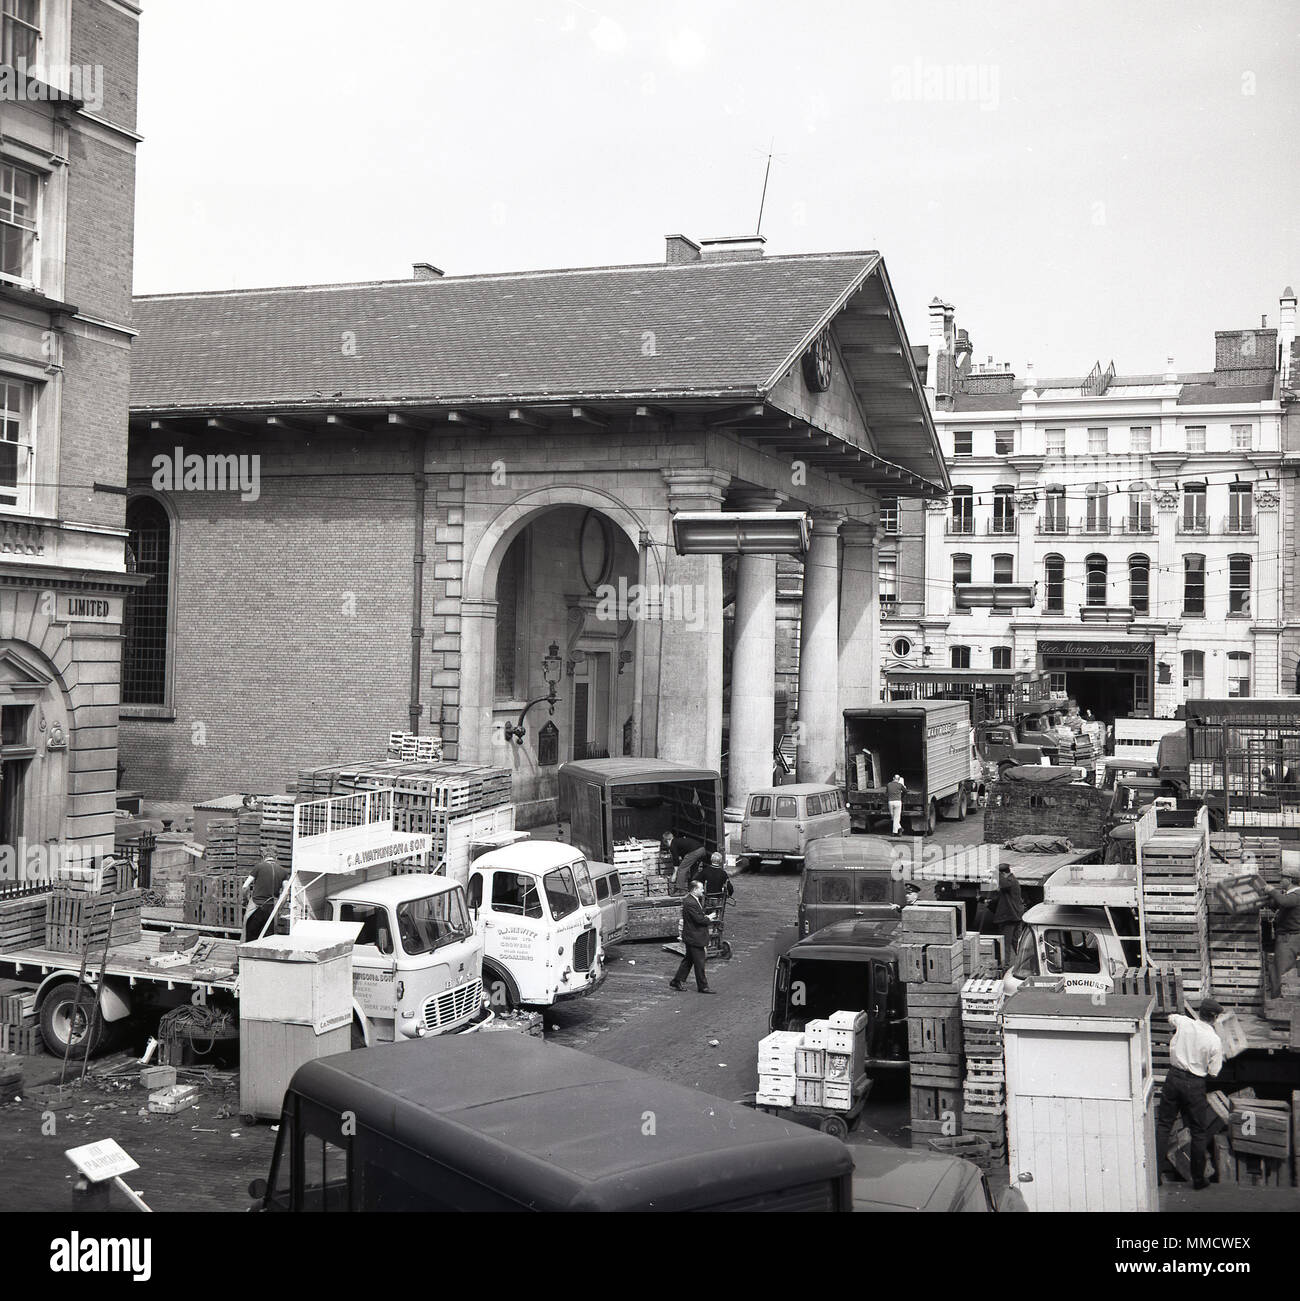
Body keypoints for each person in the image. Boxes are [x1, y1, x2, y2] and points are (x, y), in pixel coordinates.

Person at [1156, 998, 1224, 1190]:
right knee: (1198, 1132)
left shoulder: (1184, 1022)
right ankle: (1198, 1179)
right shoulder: (1214, 1040)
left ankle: (1155, 1175)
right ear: (1215, 1018)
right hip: (1195, 1084)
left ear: (1198, 1012)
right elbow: (1213, 1072)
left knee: (1163, 1126)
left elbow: (1171, 1018)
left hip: (1173, 1078)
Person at [669, 880, 716, 993]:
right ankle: (703, 986)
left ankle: (677, 980)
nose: (703, 890)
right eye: (701, 888)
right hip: (694, 936)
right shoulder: (690, 902)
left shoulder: (693, 900)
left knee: (688, 960)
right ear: (695, 890)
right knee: (699, 963)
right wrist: (708, 918)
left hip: (691, 935)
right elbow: (699, 919)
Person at [1263, 864, 1300, 997]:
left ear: (1289, 880)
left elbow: (1284, 902)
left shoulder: (1296, 894)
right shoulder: (1290, 895)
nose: (1280, 881)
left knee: (1279, 970)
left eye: (1282, 878)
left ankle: (1277, 1002)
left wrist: (1271, 890)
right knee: (1280, 969)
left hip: (1289, 939)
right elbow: (1279, 905)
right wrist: (1266, 900)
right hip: (1288, 937)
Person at [244, 854, 289, 940]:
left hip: (255, 907)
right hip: (271, 908)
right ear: (276, 858)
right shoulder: (283, 871)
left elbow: (245, 887)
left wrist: (245, 900)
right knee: (268, 939)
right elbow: (286, 893)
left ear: (264, 857)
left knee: (249, 936)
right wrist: (279, 909)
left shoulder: (258, 867)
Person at [992, 862, 1024, 958]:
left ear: (1003, 874)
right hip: (1015, 916)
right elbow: (1003, 897)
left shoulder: (1010, 882)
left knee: (1005, 944)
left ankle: (1005, 966)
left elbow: (1004, 885)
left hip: (1010, 917)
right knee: (1016, 942)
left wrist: (996, 874)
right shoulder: (1012, 880)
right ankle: (1024, 961)